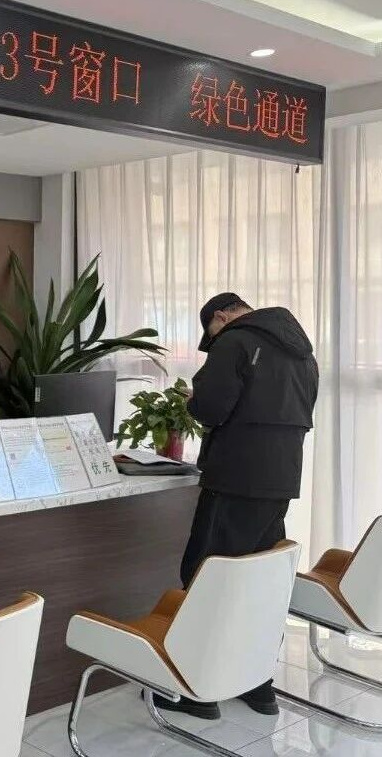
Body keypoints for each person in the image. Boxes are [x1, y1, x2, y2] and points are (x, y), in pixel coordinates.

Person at [155, 293, 318, 720]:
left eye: (210, 333)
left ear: (221, 316)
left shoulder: (235, 340)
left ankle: (197, 691)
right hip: (281, 479)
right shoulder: (300, 348)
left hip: (234, 477)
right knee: (258, 583)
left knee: (207, 576)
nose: (213, 341)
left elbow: (210, 409)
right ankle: (257, 685)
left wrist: (193, 399)